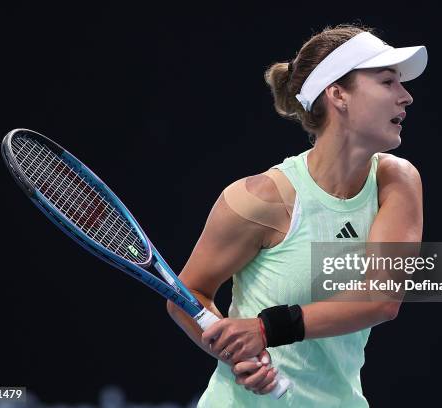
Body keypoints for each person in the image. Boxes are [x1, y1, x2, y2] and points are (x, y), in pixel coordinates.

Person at [166, 23, 426, 406]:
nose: (406, 97)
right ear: (338, 94)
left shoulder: (397, 181)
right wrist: (236, 353)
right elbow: (186, 294)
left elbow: (382, 298)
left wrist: (263, 329)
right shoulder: (260, 199)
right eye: (388, 82)